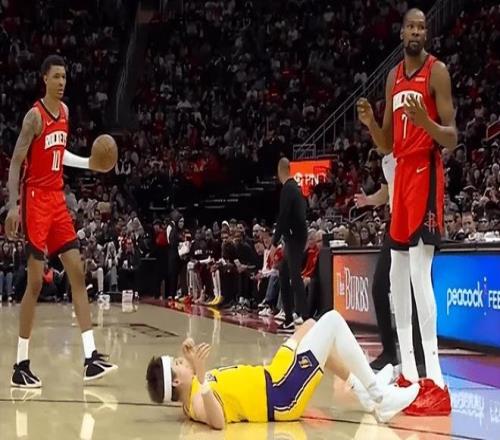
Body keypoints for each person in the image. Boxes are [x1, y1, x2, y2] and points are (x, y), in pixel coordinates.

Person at [356, 8, 457, 414]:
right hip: (401, 176)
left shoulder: (437, 72)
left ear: (425, 33)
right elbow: (386, 144)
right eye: (411, 26)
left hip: (425, 173)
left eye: (421, 27)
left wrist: (425, 122)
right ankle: (409, 375)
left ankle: (436, 380)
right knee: (397, 274)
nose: (416, 31)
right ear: (401, 33)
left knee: (418, 272)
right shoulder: (393, 77)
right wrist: (370, 123)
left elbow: (451, 137)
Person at [4, 54, 117, 388]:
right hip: (35, 199)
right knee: (35, 283)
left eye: (64, 77)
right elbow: (16, 162)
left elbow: (59, 153)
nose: (61, 82)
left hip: (56, 199)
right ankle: (20, 364)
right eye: (56, 77)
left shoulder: (65, 113)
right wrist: (13, 206)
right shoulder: (34, 117)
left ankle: (91, 358)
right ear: (44, 79)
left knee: (77, 273)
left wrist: (88, 163)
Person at [146, 310, 420, 429]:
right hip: (281, 393)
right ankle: (378, 396)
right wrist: (201, 372)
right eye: (177, 364)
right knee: (333, 322)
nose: (181, 361)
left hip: (275, 374)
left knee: (311, 326)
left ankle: (364, 392)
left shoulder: (189, 395)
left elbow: (187, 385)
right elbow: (217, 422)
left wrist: (190, 360)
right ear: (176, 382)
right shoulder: (197, 399)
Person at [355, 153, 425, 372]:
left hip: (416, 219)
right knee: (379, 287)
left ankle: (421, 357)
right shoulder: (386, 158)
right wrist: (368, 200)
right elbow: (386, 193)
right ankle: (389, 352)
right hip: (396, 224)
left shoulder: (408, 149)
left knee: (416, 288)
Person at [269, 158, 307, 332]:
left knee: (294, 276)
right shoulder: (295, 188)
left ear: (279, 171)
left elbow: (283, 216)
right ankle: (289, 317)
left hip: (294, 237)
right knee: (284, 273)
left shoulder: (288, 189)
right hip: (295, 236)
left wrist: (274, 242)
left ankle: (304, 317)